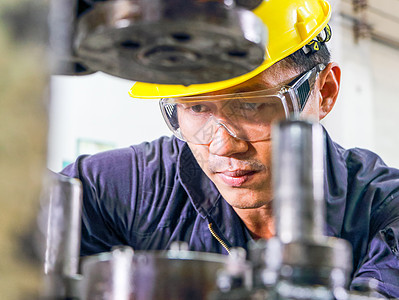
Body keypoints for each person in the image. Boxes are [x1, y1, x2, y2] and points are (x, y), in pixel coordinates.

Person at [61, 0, 399, 297]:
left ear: (324, 91)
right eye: (196, 109)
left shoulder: (385, 211)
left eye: (252, 105)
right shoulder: (139, 186)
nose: (222, 145)